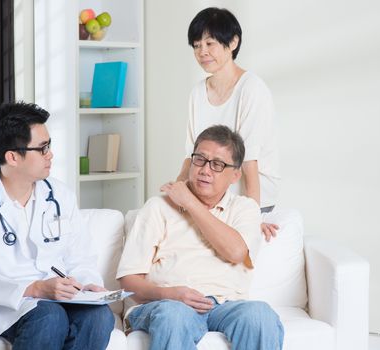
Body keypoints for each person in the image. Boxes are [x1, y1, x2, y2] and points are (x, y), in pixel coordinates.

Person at [0, 102, 114, 350]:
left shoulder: (61, 195)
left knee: (99, 316)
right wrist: (36, 288)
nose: (50, 155)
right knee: (49, 317)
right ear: (13, 157)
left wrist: (86, 285)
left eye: (49, 146)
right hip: (6, 305)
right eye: (42, 149)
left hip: (60, 298)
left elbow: (81, 257)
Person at [117, 125, 284, 350]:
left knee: (260, 315)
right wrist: (170, 295)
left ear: (235, 175)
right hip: (167, 304)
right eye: (200, 160)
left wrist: (189, 202)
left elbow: (236, 252)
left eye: (217, 164)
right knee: (173, 316)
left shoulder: (245, 208)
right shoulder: (158, 207)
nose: (205, 170)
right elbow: (128, 280)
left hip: (226, 306)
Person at [176, 7, 281, 240]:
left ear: (233, 42)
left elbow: (248, 161)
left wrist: (252, 217)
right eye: (196, 45)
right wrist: (176, 195)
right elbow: (190, 156)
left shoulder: (251, 88)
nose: (202, 51)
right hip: (210, 193)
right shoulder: (197, 93)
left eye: (210, 43)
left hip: (248, 197)